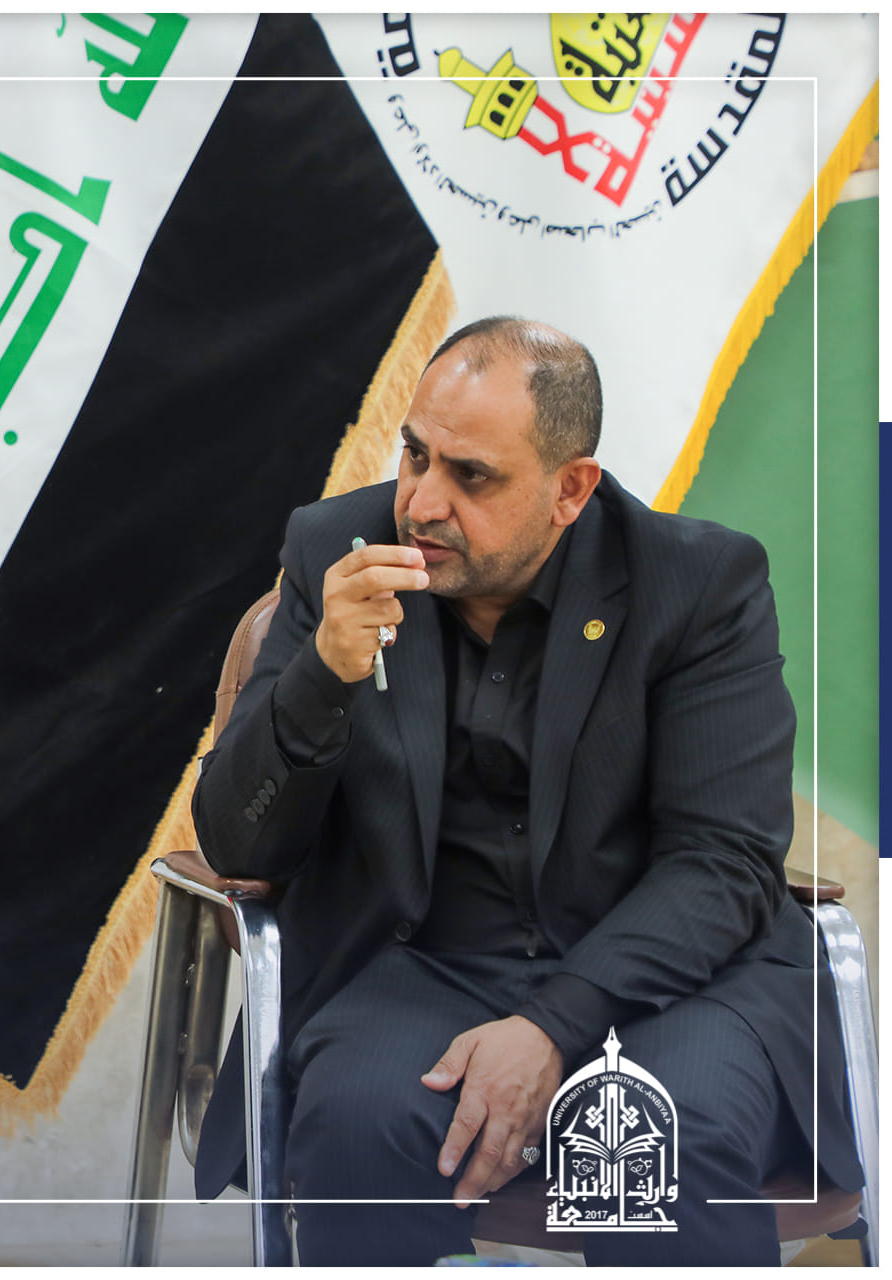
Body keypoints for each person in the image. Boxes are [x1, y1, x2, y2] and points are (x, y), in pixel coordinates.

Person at [190, 317, 862, 1264]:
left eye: (472, 476)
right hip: (421, 961)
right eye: (416, 455)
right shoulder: (335, 551)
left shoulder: (697, 584)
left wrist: (551, 1026)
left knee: (667, 1138)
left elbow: (723, 859)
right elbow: (239, 845)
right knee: (357, 1123)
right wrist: (322, 677)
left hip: (666, 979)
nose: (423, 503)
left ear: (570, 489)